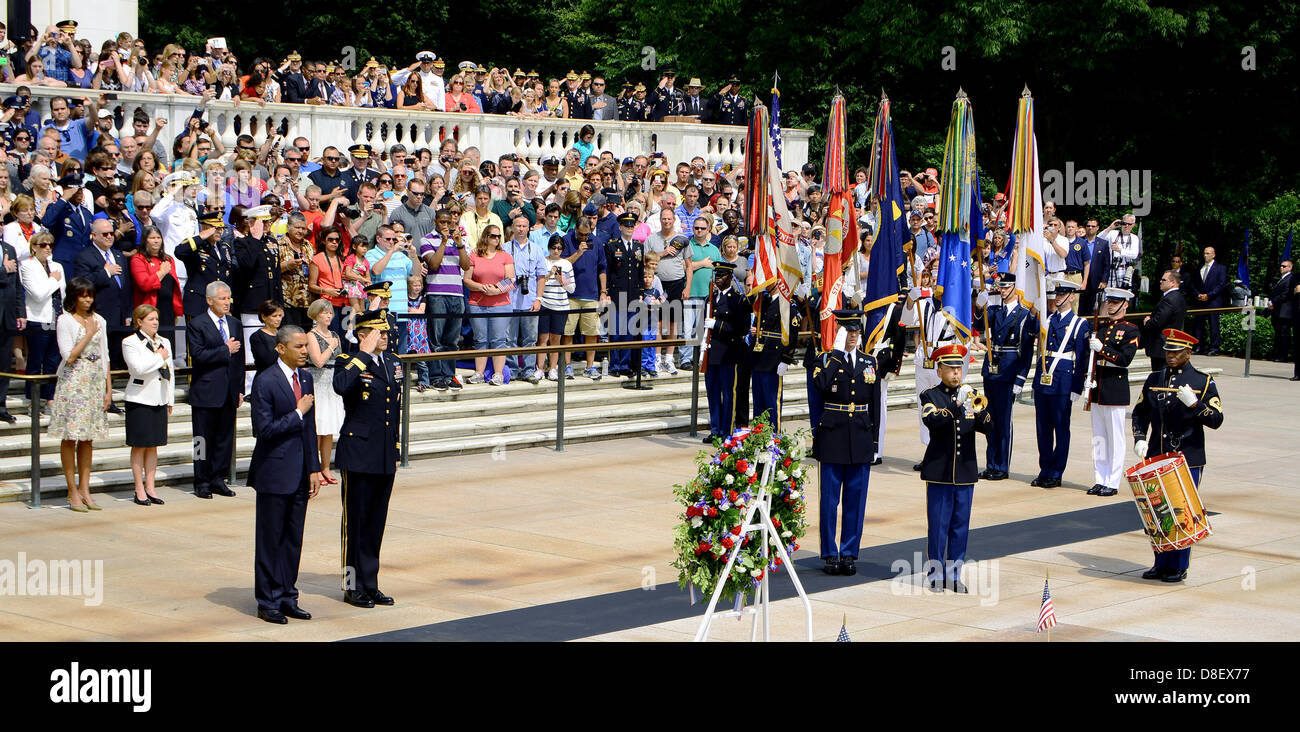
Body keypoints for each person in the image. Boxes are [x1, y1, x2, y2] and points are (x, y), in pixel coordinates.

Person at [1132, 328, 1224, 582]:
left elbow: (1216, 419)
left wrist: (1195, 404)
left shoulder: (1203, 382)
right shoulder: (1154, 378)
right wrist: (1140, 438)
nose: (1170, 356)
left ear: (1188, 352)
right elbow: (1140, 412)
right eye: (1168, 352)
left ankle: (1178, 565)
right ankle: (1160, 562)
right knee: (1157, 512)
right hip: (1157, 454)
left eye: (1176, 352)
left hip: (1187, 457)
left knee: (1181, 513)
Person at [248, 324, 321, 624]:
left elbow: (310, 428)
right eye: (299, 347)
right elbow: (263, 430)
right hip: (274, 472)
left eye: (306, 346)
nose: (305, 352)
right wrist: (297, 412)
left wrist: (314, 467)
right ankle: (268, 600)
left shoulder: (305, 378)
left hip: (301, 471)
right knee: (271, 539)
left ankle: (288, 595)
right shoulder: (265, 382)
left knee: (293, 539)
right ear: (281, 348)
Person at [333, 309, 401, 608]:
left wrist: (396, 449)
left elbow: (394, 411)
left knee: (375, 522)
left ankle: (370, 584)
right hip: (358, 452)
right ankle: (352, 586)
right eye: (379, 332)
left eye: (386, 332)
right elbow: (340, 386)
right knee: (355, 523)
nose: (385, 337)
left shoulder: (392, 362)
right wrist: (362, 354)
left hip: (384, 452)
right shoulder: (349, 361)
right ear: (363, 335)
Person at [919, 343, 995, 592]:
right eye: (950, 369)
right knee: (939, 527)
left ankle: (954, 575)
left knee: (960, 526)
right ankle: (935, 574)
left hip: (964, 471)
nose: (956, 374)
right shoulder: (931, 395)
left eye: (959, 370)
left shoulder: (970, 393)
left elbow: (989, 428)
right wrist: (956, 406)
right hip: (940, 472)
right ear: (939, 370)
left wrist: (979, 408)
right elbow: (932, 421)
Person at [813, 310, 880, 576]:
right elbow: (821, 384)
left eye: (855, 332)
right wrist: (837, 353)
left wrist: (874, 442)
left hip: (860, 437)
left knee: (855, 500)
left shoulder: (869, 361)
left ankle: (849, 552)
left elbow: (874, 404)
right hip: (833, 436)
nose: (853, 336)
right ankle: (830, 553)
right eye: (847, 331)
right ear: (840, 332)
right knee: (829, 501)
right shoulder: (826, 360)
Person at [48, 277, 110, 511]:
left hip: (94, 381)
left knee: (88, 438)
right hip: (73, 382)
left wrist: (108, 389)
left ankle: (85, 487)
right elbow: (69, 356)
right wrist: (87, 333)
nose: (87, 299)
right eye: (82, 295)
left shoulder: (100, 320)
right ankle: (71, 490)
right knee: (70, 436)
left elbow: (105, 357)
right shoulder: (65, 320)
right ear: (74, 296)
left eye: (90, 295)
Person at [1029, 278, 1091, 488]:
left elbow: (1081, 358)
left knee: (1060, 428)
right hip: (1043, 380)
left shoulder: (1079, 324)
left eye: (1063, 295)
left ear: (1071, 297)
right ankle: (1045, 468)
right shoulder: (1048, 319)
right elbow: (1030, 331)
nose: (1058, 298)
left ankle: (1056, 472)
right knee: (1042, 429)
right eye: (1056, 294)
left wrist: (1076, 387)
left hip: (1063, 381)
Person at [187, 280, 244, 499]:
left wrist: (239, 388)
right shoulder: (197, 324)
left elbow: (239, 359)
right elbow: (199, 356)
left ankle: (218, 478)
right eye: (222, 298)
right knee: (201, 440)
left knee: (224, 439)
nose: (227, 302)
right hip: (206, 391)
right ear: (209, 300)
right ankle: (201, 480)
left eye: (228, 298)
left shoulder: (235, 324)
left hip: (228, 391)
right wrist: (224, 349)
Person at [975, 275, 1033, 481]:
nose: (1002, 290)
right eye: (1000, 286)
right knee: (989, 419)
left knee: (1003, 420)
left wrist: (1020, 378)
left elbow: (1026, 351)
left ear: (1015, 288)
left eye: (1006, 287)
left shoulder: (1024, 315)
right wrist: (978, 306)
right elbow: (980, 326)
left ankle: (1002, 466)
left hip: (1009, 369)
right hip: (991, 369)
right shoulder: (994, 310)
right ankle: (991, 463)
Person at [1084, 288, 1141, 497]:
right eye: (1109, 301)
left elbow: (1125, 359)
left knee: (1115, 438)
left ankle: (1113, 481)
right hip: (1097, 388)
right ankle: (1100, 478)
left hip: (1114, 388)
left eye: (1115, 302)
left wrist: (1102, 350)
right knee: (1099, 437)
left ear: (1124, 305)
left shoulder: (1130, 330)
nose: (1110, 305)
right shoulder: (1100, 328)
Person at [902, 268, 960, 466]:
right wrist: (910, 300)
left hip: (943, 359)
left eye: (940, 281)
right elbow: (906, 321)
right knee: (924, 406)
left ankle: (945, 452)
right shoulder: (924, 304)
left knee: (943, 405)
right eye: (935, 281)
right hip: (923, 359)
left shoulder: (954, 307)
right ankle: (929, 450)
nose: (937, 285)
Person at [122, 304, 174, 506]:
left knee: (153, 445)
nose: (155, 323)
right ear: (139, 321)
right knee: (139, 445)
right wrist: (158, 357)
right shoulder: (130, 342)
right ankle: (139, 488)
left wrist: (170, 398)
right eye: (151, 319)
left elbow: (169, 372)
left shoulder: (163, 341)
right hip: (140, 398)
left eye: (157, 319)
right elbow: (138, 369)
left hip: (159, 397)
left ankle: (151, 486)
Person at [73, 218, 133, 377]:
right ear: (94, 235)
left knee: (115, 356)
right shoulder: (85, 256)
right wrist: (106, 273)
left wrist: (127, 312)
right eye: (105, 234)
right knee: (101, 356)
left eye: (112, 233)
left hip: (120, 316)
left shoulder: (118, 256)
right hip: (99, 313)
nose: (109, 237)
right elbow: (83, 284)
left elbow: (126, 287)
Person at [419, 210, 469, 391]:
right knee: (436, 339)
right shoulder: (426, 240)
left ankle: (449, 375)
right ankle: (436, 376)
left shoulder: (458, 240)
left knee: (452, 340)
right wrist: (444, 242)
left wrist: (460, 245)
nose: (446, 225)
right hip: (437, 294)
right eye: (443, 222)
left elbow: (465, 265)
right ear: (435, 221)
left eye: (449, 222)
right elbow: (433, 264)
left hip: (456, 294)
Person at [701, 261, 749, 442]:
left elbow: (741, 328)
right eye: (716, 276)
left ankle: (727, 431)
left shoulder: (738, 300)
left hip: (730, 353)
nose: (718, 279)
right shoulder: (710, 298)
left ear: (730, 277)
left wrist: (718, 325)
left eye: (721, 276)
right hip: (712, 352)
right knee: (713, 392)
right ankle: (715, 429)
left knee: (729, 394)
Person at [20, 232, 66, 407]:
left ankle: (50, 397)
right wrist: (52, 280)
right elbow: (38, 294)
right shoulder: (27, 266)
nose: (47, 248)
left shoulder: (57, 266)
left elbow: (64, 293)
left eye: (50, 245)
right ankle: (32, 399)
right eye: (43, 245)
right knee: (35, 360)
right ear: (34, 247)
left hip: (57, 318)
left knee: (53, 361)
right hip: (38, 319)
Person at [750, 282, 798, 432]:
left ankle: (773, 437)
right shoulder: (762, 300)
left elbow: (793, 334)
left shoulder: (787, 303)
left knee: (772, 402)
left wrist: (786, 359)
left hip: (774, 359)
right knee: (758, 402)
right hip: (759, 357)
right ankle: (759, 435)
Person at [307, 299, 344, 483]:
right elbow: (318, 361)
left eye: (330, 312)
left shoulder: (335, 334)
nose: (328, 316)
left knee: (328, 429)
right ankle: (314, 467)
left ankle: (326, 467)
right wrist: (330, 346)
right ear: (316, 315)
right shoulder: (311, 335)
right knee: (317, 427)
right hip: (317, 382)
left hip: (332, 383)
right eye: (324, 313)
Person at [604, 212, 645, 377]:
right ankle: (615, 365)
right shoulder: (612, 246)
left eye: (631, 226)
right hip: (616, 293)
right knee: (615, 332)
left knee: (629, 332)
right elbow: (607, 270)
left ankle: (625, 364)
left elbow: (640, 271)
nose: (629, 228)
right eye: (626, 226)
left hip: (633, 294)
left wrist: (641, 292)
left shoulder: (638, 246)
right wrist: (606, 291)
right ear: (620, 227)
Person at [174, 210, 235, 318]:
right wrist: (201, 236)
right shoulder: (196, 246)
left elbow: (228, 278)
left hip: (218, 305)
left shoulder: (224, 247)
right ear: (206, 228)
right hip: (198, 303)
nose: (219, 231)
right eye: (216, 228)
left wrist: (229, 304)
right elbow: (179, 251)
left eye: (221, 228)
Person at [0, 224, 26, 422]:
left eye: (1, 223)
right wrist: (2, 270)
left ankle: (1, 405)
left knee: (3, 363)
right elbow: (7, 272)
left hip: (6, 316)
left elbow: (17, 284)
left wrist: (20, 312)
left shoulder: (9, 248)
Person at [1141, 269, 1187, 372]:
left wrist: (1147, 322)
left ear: (1173, 283)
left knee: (1160, 377)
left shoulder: (1169, 299)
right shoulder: (1179, 297)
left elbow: (1159, 321)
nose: (1160, 281)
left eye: (1164, 279)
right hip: (1170, 344)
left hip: (1162, 346)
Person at [1190, 246, 1227, 355]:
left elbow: (1221, 285)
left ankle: (1214, 348)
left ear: (1213, 255)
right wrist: (1198, 294)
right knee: (1198, 325)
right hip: (1201, 300)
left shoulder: (1220, 268)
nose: (1205, 255)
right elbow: (1194, 284)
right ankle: (1199, 346)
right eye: (1204, 253)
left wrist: (1209, 295)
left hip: (1213, 301)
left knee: (1213, 325)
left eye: (1208, 253)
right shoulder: (1200, 268)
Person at [250, 300, 284, 381]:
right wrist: (280, 346)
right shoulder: (257, 336)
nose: (278, 319)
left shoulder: (283, 334)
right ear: (264, 317)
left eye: (280, 316)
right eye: (274, 316)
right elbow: (267, 360)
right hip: (266, 378)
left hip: (282, 377)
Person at [1268, 259, 1295, 365]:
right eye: (1281, 266)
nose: (1281, 268)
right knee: (1278, 333)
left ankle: (1283, 355)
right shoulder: (1282, 279)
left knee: (1284, 334)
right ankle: (1277, 354)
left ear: (1290, 267)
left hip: (1285, 311)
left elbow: (1286, 294)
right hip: (1278, 311)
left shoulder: (1290, 278)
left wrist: (1273, 302)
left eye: (1284, 266)